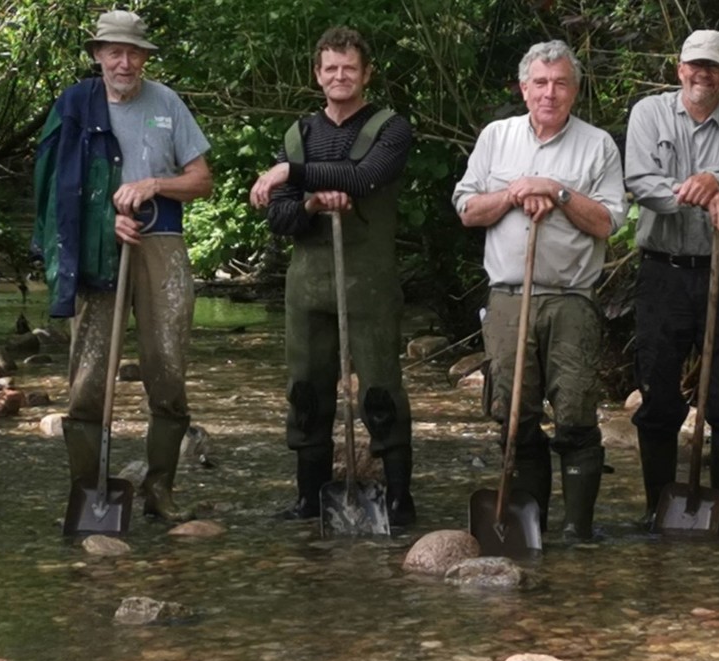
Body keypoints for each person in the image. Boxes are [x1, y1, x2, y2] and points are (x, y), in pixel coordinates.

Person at [33, 10, 213, 523]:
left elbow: (202, 181)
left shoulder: (167, 103)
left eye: (134, 53)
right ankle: (88, 494)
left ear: (144, 58)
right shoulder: (74, 105)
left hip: (162, 242)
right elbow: (53, 188)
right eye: (115, 52)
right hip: (96, 251)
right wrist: (101, 222)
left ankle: (160, 489)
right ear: (98, 55)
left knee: (168, 370)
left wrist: (155, 184)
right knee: (89, 377)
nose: (125, 63)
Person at [452, 40, 627, 540]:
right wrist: (513, 193)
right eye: (540, 83)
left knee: (575, 412)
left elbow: (608, 222)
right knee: (514, 415)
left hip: (572, 299)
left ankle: (577, 531)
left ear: (575, 90)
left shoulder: (597, 145)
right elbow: (466, 209)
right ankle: (532, 531)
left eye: (560, 83)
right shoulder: (496, 137)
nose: (550, 92)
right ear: (524, 88)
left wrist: (557, 191)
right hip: (509, 298)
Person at [249, 27, 416, 526]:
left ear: (366, 74)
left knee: (380, 391)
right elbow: (278, 217)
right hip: (308, 282)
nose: (340, 76)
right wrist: (310, 203)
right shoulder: (298, 136)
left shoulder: (391, 128)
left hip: (369, 281)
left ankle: (399, 501)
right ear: (317, 75)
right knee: (306, 391)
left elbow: (364, 176)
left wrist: (291, 174)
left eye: (349, 68)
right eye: (331, 69)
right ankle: (309, 499)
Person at [625, 30, 719, 533]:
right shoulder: (649, 114)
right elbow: (641, 182)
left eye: (713, 66)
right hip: (662, 273)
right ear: (679, 68)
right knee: (658, 392)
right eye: (695, 64)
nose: (702, 73)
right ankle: (657, 510)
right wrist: (704, 190)